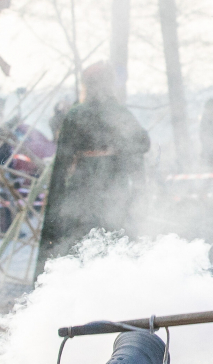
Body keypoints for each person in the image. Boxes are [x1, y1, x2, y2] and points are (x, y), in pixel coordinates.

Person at [37, 63, 151, 266]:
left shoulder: (75, 114)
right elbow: (142, 142)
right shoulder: (120, 113)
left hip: (82, 189)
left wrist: (57, 201)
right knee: (112, 241)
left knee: (81, 243)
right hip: (115, 187)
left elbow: (63, 161)